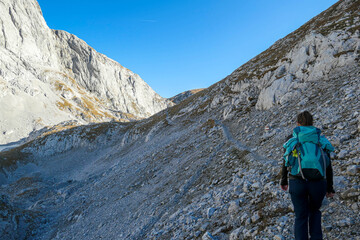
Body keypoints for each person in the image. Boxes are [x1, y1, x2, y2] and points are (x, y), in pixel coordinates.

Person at [280, 111, 335, 240]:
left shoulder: (292, 138)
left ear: (298, 123)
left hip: (297, 181)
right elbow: (328, 165)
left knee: (300, 216)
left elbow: (285, 161)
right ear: (312, 123)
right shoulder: (320, 139)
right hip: (318, 182)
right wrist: (330, 187)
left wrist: (284, 180)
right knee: (315, 212)